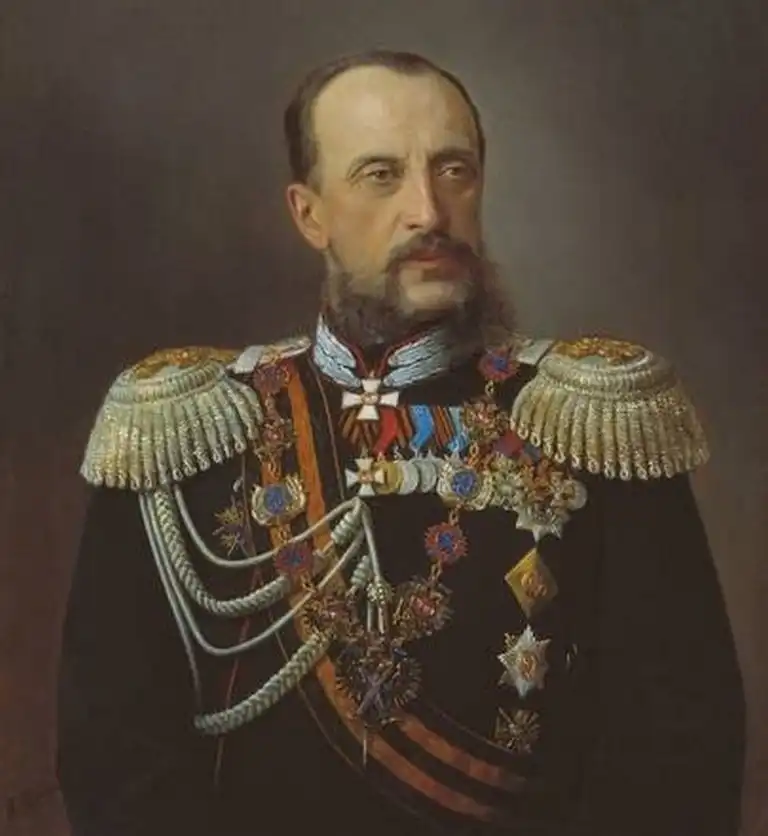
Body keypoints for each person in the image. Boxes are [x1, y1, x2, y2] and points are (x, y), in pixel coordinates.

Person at [56, 50, 745, 836]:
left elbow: (675, 756)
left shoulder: (594, 420)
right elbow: (117, 760)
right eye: (380, 175)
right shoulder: (185, 429)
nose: (428, 211)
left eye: (453, 170)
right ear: (309, 214)